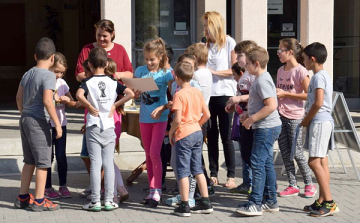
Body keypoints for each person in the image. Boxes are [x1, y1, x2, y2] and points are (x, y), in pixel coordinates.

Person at [75, 19, 133, 196]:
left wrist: (112, 77)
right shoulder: (87, 49)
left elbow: (129, 73)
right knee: (93, 155)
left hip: (111, 111)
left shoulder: (120, 50)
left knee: (104, 155)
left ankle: (110, 190)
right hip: (94, 109)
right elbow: (78, 74)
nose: (101, 39)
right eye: (99, 35)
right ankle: (106, 190)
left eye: (105, 36)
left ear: (112, 35)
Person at [15, 37, 61, 211]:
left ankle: (23, 197)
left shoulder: (28, 73)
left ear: (35, 56)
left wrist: (23, 113)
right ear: (53, 58)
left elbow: (18, 97)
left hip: (25, 119)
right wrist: (56, 123)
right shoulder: (49, 75)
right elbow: (48, 101)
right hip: (39, 122)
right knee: (43, 162)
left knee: (29, 161)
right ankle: (40, 200)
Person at [235, 46, 282, 216]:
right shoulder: (260, 79)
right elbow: (261, 104)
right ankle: (270, 201)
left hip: (266, 128)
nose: (245, 67)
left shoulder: (262, 80)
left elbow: (271, 106)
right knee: (265, 162)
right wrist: (248, 114)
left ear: (256, 64)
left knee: (257, 162)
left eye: (247, 64)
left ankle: (256, 202)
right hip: (265, 126)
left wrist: (251, 120)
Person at [169, 62, 213, 217]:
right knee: (197, 169)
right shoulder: (197, 92)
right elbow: (206, 115)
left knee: (183, 171)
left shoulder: (179, 94)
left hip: (184, 134)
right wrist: (197, 125)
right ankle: (205, 202)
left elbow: (178, 119)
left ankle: (185, 204)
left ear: (177, 77)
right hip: (196, 132)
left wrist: (171, 133)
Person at [301, 42, 339, 217]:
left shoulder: (317, 77)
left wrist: (307, 120)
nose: (304, 61)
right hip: (324, 121)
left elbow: (318, 102)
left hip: (319, 121)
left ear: (312, 59)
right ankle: (323, 200)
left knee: (313, 162)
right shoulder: (324, 74)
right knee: (322, 161)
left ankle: (329, 202)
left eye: (305, 59)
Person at [134, 38, 174, 207]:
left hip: (160, 119)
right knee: (148, 155)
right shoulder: (140, 71)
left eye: (153, 59)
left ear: (161, 57)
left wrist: (162, 108)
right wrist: (135, 93)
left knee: (154, 154)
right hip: (144, 118)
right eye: (147, 59)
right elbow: (135, 94)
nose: (149, 62)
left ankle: (157, 189)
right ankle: (152, 190)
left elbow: (174, 98)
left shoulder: (166, 73)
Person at [275, 38, 316, 198]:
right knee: (285, 151)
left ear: (290, 52)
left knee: (297, 152)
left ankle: (309, 183)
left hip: (295, 117)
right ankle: (292, 185)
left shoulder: (301, 71)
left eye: (280, 50)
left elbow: (308, 95)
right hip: (280, 115)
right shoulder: (280, 70)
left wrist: (286, 94)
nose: (278, 53)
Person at [202, 11, 237, 188]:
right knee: (211, 135)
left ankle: (231, 175)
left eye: (206, 25)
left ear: (215, 25)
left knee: (226, 136)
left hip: (224, 94)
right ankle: (213, 173)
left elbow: (235, 70)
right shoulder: (204, 45)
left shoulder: (229, 42)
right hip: (208, 95)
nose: (205, 29)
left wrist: (214, 72)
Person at [165, 54, 202, 208]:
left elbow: (198, 109)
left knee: (189, 167)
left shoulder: (193, 86)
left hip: (187, 129)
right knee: (177, 162)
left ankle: (188, 199)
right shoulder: (175, 86)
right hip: (186, 129)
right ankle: (185, 194)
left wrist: (193, 126)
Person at [226, 40, 257, 195]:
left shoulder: (253, 76)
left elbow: (257, 95)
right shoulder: (245, 75)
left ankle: (260, 187)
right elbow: (242, 95)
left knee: (252, 155)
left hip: (253, 120)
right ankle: (248, 183)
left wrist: (238, 100)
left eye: (240, 55)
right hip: (243, 118)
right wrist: (233, 103)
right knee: (245, 153)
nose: (237, 59)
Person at [45, 52, 75, 199]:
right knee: (48, 156)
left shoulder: (62, 83)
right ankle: (47, 186)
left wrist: (66, 100)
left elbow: (72, 100)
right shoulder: (45, 81)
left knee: (61, 156)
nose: (59, 75)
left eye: (62, 72)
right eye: (56, 71)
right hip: (48, 124)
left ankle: (63, 185)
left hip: (61, 124)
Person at [104, 58, 129, 204]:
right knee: (109, 161)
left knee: (107, 162)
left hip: (109, 125)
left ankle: (114, 193)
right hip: (116, 124)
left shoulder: (109, 86)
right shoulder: (116, 85)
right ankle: (120, 188)